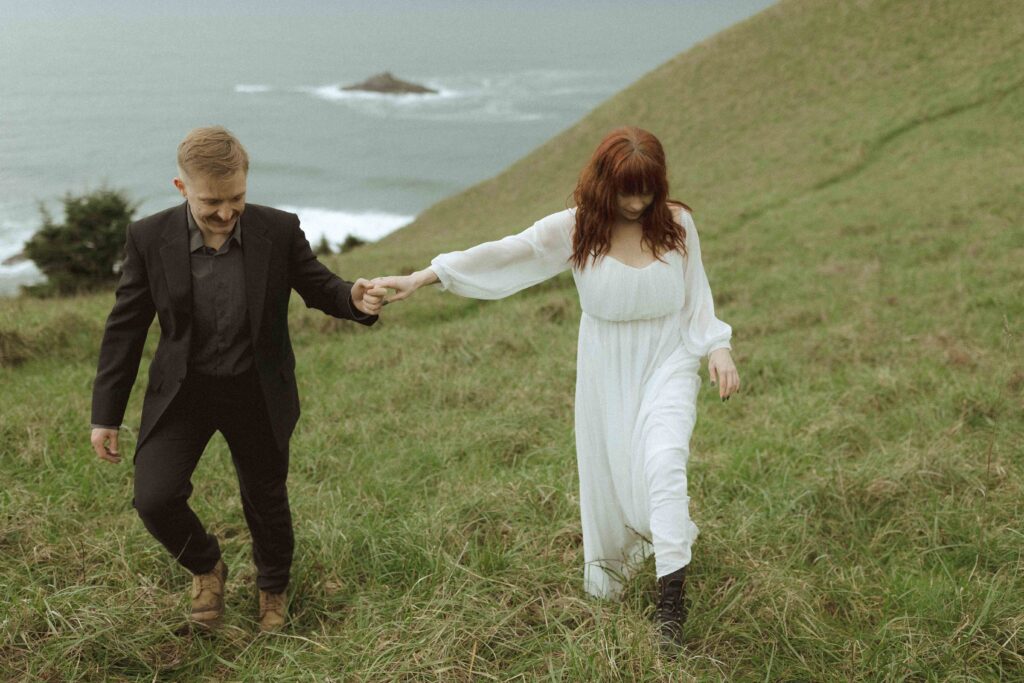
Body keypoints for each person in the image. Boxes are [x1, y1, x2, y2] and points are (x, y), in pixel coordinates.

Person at [372, 126, 740, 646]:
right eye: (626, 190)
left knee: (664, 463)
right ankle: (650, 551)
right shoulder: (578, 229)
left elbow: (696, 297)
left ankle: (671, 606)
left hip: (667, 360)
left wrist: (717, 347)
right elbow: (506, 253)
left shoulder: (678, 225)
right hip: (606, 370)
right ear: (603, 183)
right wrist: (422, 277)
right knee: (617, 481)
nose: (637, 202)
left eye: (647, 189)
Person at [89, 126, 386, 632]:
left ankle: (273, 586)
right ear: (182, 188)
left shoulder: (279, 229)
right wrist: (106, 416)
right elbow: (125, 330)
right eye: (211, 202)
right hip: (183, 394)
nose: (226, 213)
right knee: (154, 498)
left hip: (257, 390)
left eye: (237, 199)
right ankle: (207, 566)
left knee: (265, 497)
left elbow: (318, 285)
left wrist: (354, 299)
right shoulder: (147, 237)